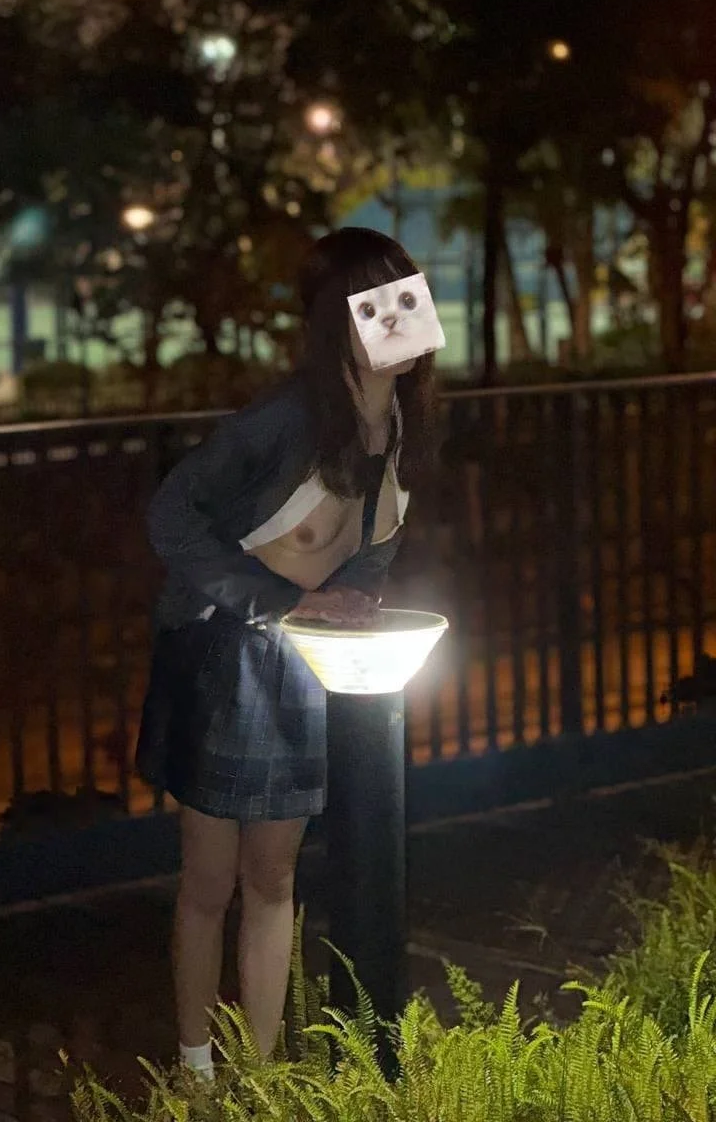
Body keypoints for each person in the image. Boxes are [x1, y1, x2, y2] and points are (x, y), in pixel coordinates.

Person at [136, 226, 440, 1079]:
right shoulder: (285, 420)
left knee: (275, 879)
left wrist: (349, 601)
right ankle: (197, 1071)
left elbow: (373, 549)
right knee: (209, 877)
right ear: (334, 320)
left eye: (408, 295)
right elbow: (172, 513)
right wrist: (278, 598)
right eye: (373, 301)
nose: (397, 316)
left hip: (304, 660)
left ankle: (260, 1075)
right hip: (223, 650)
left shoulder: (403, 429)